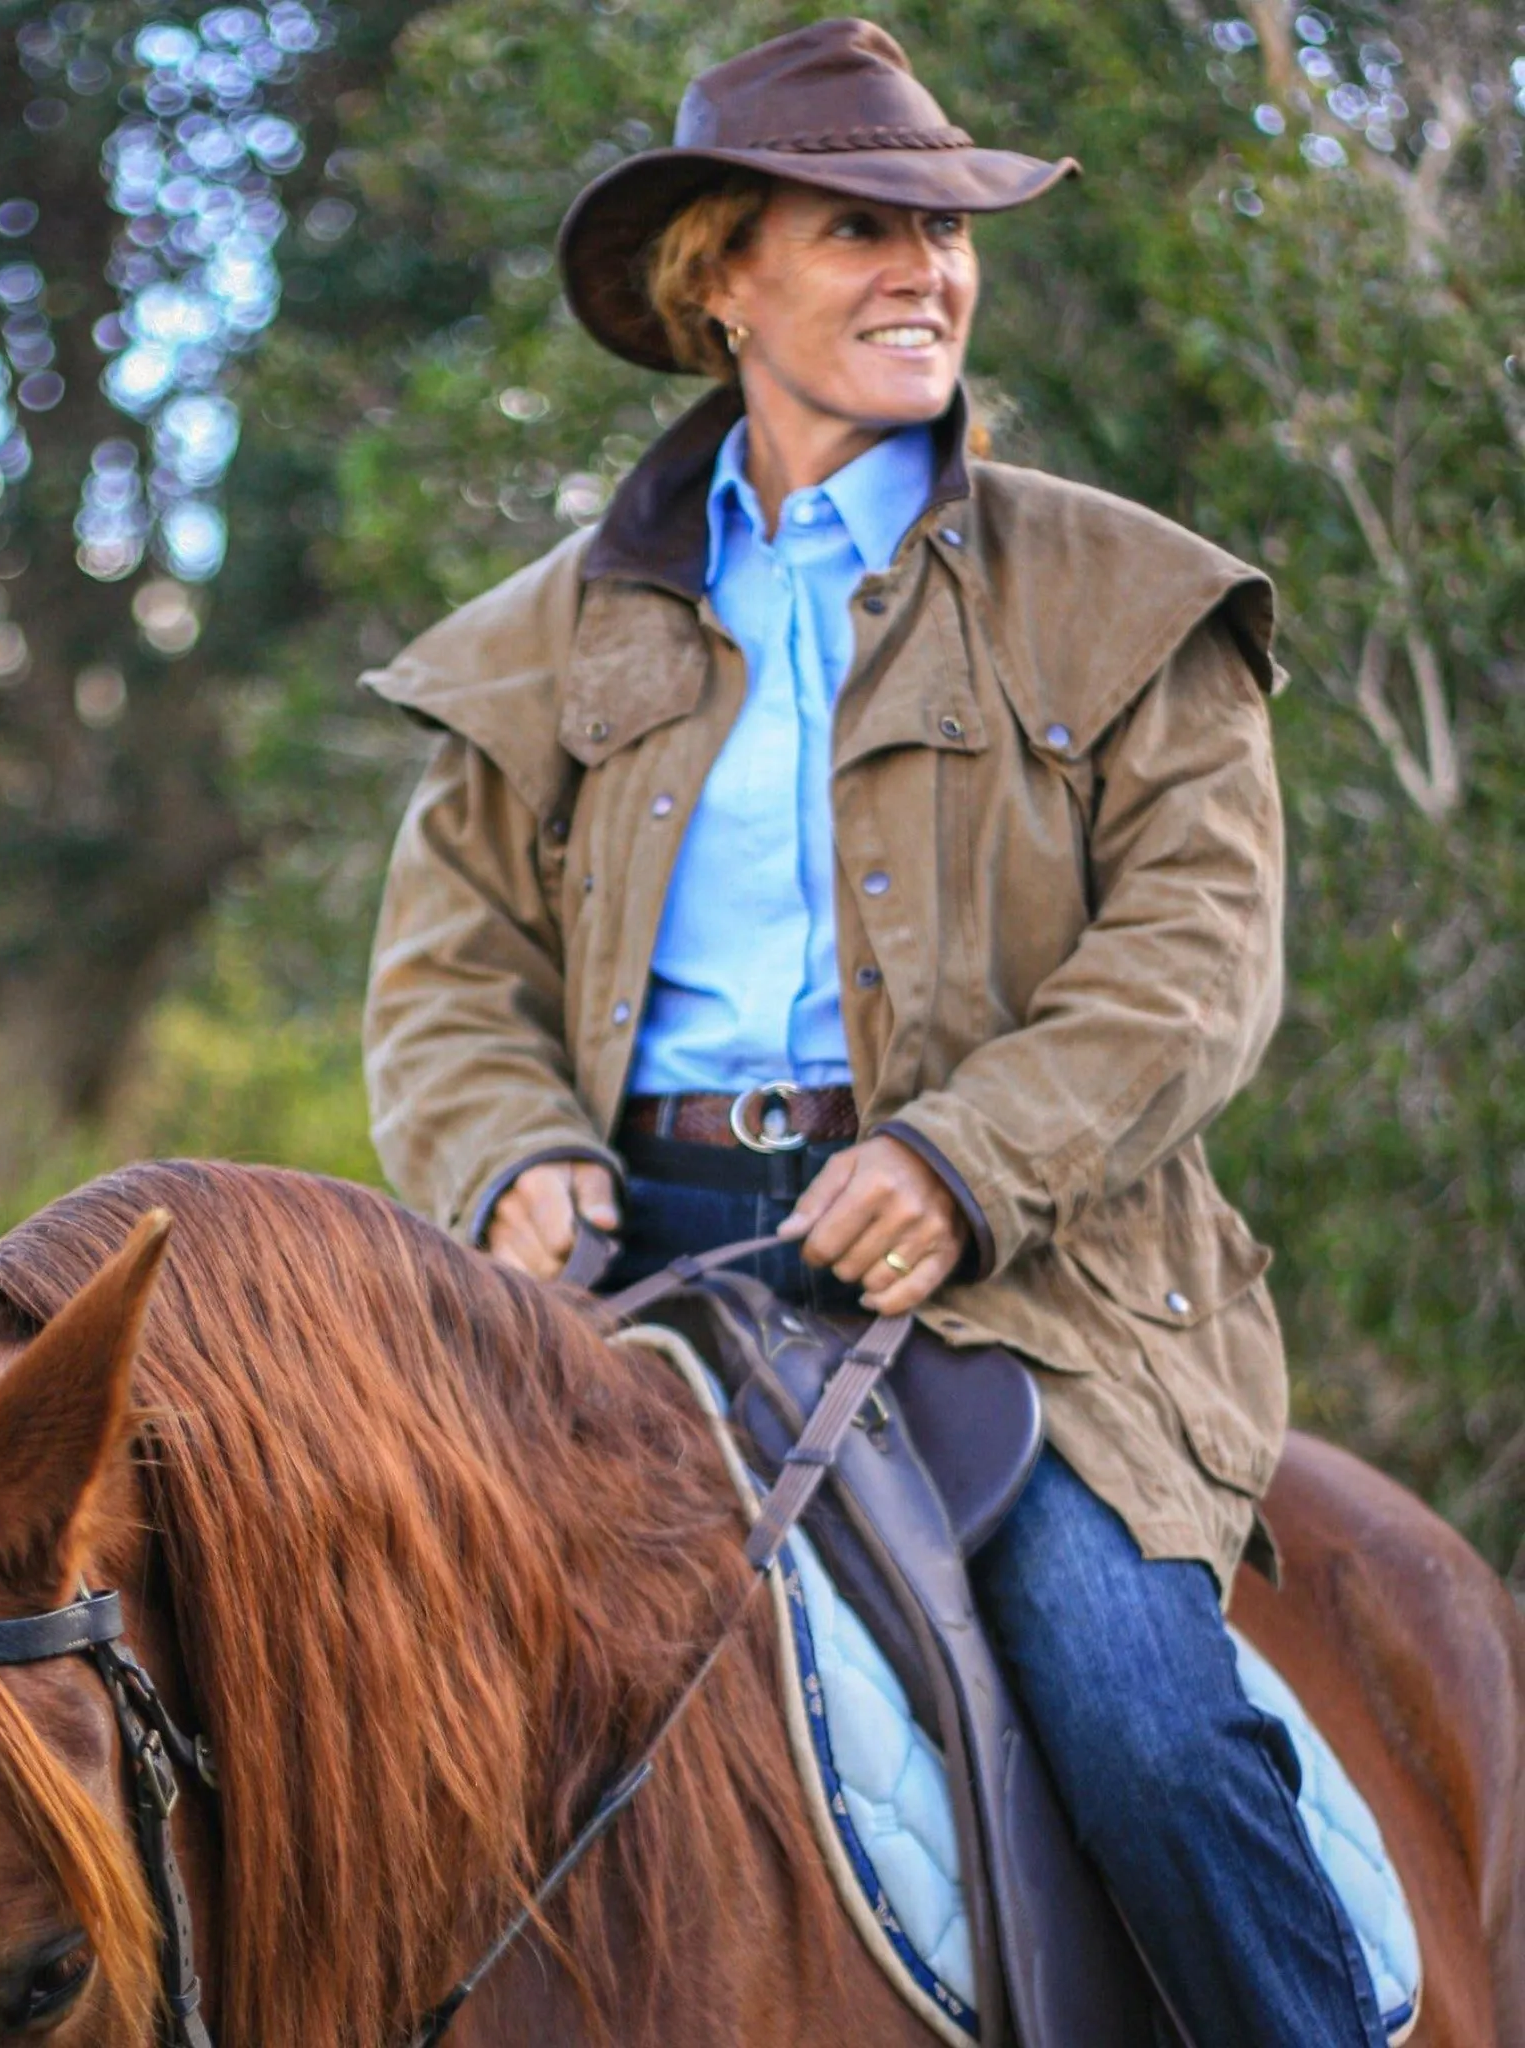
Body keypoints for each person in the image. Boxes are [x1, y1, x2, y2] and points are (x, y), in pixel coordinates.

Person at [359, 19, 1387, 2048]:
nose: (926, 267)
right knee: (301, 1697)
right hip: (623, 1268)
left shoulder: (1124, 595)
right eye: (862, 228)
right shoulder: (537, 641)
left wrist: (957, 1161)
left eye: (946, 229)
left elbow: (1200, 953)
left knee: (1151, 1738)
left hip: (1027, 1295)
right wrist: (505, 1153)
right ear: (717, 278)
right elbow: (441, 975)